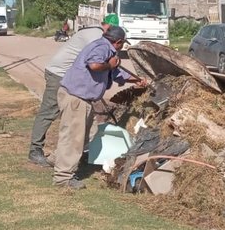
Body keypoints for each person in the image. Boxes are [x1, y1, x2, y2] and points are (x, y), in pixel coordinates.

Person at [53, 26, 148, 189]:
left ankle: (67, 170)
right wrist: (110, 65)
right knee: (72, 138)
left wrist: (136, 80)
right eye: (122, 43)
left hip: (81, 99)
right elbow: (94, 65)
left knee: (80, 138)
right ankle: (63, 178)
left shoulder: (107, 50)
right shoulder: (102, 47)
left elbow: (117, 74)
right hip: (76, 98)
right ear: (118, 42)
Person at [28, 13, 120, 166]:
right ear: (108, 27)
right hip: (59, 73)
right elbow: (100, 64)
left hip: (70, 77)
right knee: (50, 112)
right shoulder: (96, 36)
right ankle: (35, 150)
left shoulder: (97, 34)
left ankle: (79, 151)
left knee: (80, 116)